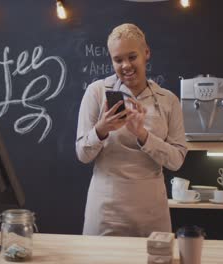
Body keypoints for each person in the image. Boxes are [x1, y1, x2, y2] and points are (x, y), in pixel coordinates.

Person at [75, 23, 187, 237]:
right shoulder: (97, 93)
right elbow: (82, 154)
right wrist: (101, 129)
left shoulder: (168, 100)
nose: (126, 65)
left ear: (146, 53)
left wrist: (143, 136)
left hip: (152, 213)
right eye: (118, 59)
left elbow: (177, 160)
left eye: (132, 56)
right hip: (106, 211)